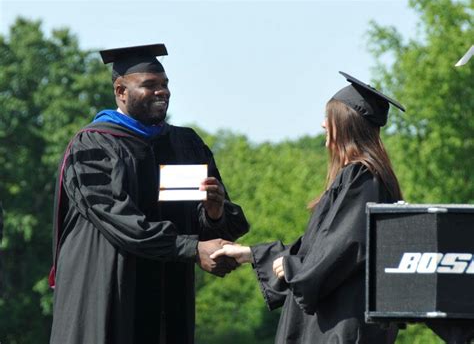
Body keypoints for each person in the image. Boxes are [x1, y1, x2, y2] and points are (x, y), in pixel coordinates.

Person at [49, 43, 249, 344]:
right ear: (121, 91)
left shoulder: (186, 144)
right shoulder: (94, 146)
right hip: (108, 287)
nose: (162, 92)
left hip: (169, 294)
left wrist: (214, 213)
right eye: (150, 85)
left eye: (165, 85)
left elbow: (210, 226)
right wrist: (192, 249)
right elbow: (121, 220)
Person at [211, 71, 404, 344]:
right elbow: (316, 248)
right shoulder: (358, 178)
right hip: (329, 322)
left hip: (340, 326)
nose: (324, 125)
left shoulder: (363, 177)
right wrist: (250, 254)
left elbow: (345, 246)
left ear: (346, 124)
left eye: (331, 118)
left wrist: (292, 268)